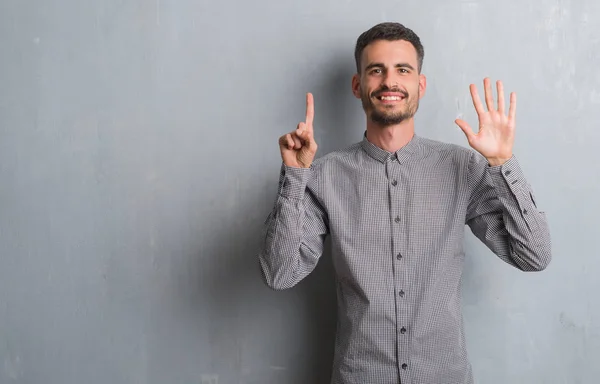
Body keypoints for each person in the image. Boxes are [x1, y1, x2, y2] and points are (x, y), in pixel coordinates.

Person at [258, 22, 551, 384]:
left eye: (403, 70)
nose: (389, 81)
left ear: (420, 85)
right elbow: (280, 274)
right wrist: (294, 177)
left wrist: (503, 163)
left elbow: (534, 255)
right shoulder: (324, 175)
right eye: (376, 70)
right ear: (357, 85)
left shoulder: (462, 168)